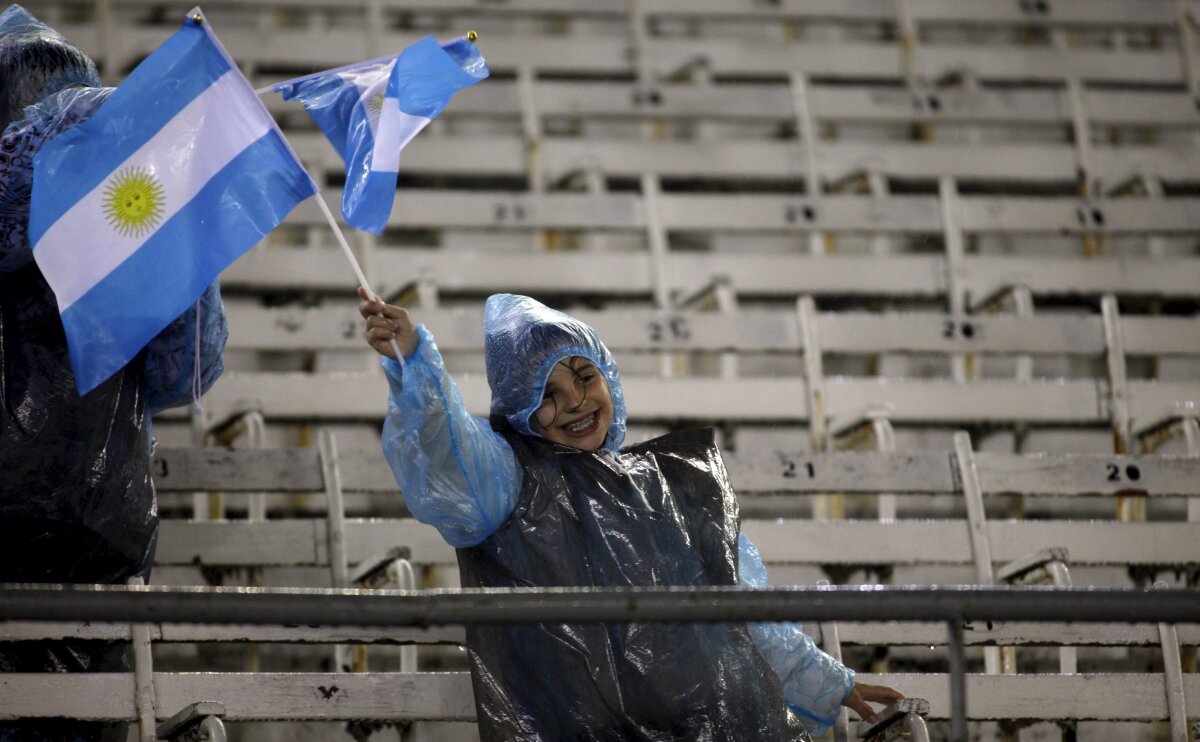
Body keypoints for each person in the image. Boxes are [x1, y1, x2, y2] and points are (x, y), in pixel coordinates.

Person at [360, 288, 903, 741]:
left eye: (584, 377)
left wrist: (831, 682)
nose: (574, 401)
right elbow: (445, 450)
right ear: (519, 409)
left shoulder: (675, 482)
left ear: (610, 379)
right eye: (548, 392)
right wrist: (415, 362)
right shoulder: (507, 482)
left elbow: (741, 615)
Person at [0, 6, 227, 740]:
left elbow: (186, 365)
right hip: (96, 523)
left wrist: (181, 240)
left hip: (98, 533)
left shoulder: (119, 221)